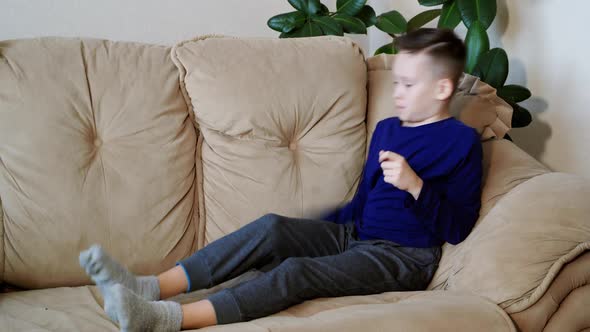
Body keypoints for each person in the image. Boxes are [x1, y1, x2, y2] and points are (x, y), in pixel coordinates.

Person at [79, 28, 483, 332]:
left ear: (443, 87)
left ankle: (167, 318)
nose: (397, 92)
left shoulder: (461, 142)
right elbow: (364, 200)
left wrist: (416, 187)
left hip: (404, 257)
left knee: (296, 273)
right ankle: (150, 287)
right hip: (355, 234)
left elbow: (459, 226)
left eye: (409, 85)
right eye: (396, 82)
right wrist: (313, 229)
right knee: (273, 228)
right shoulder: (389, 129)